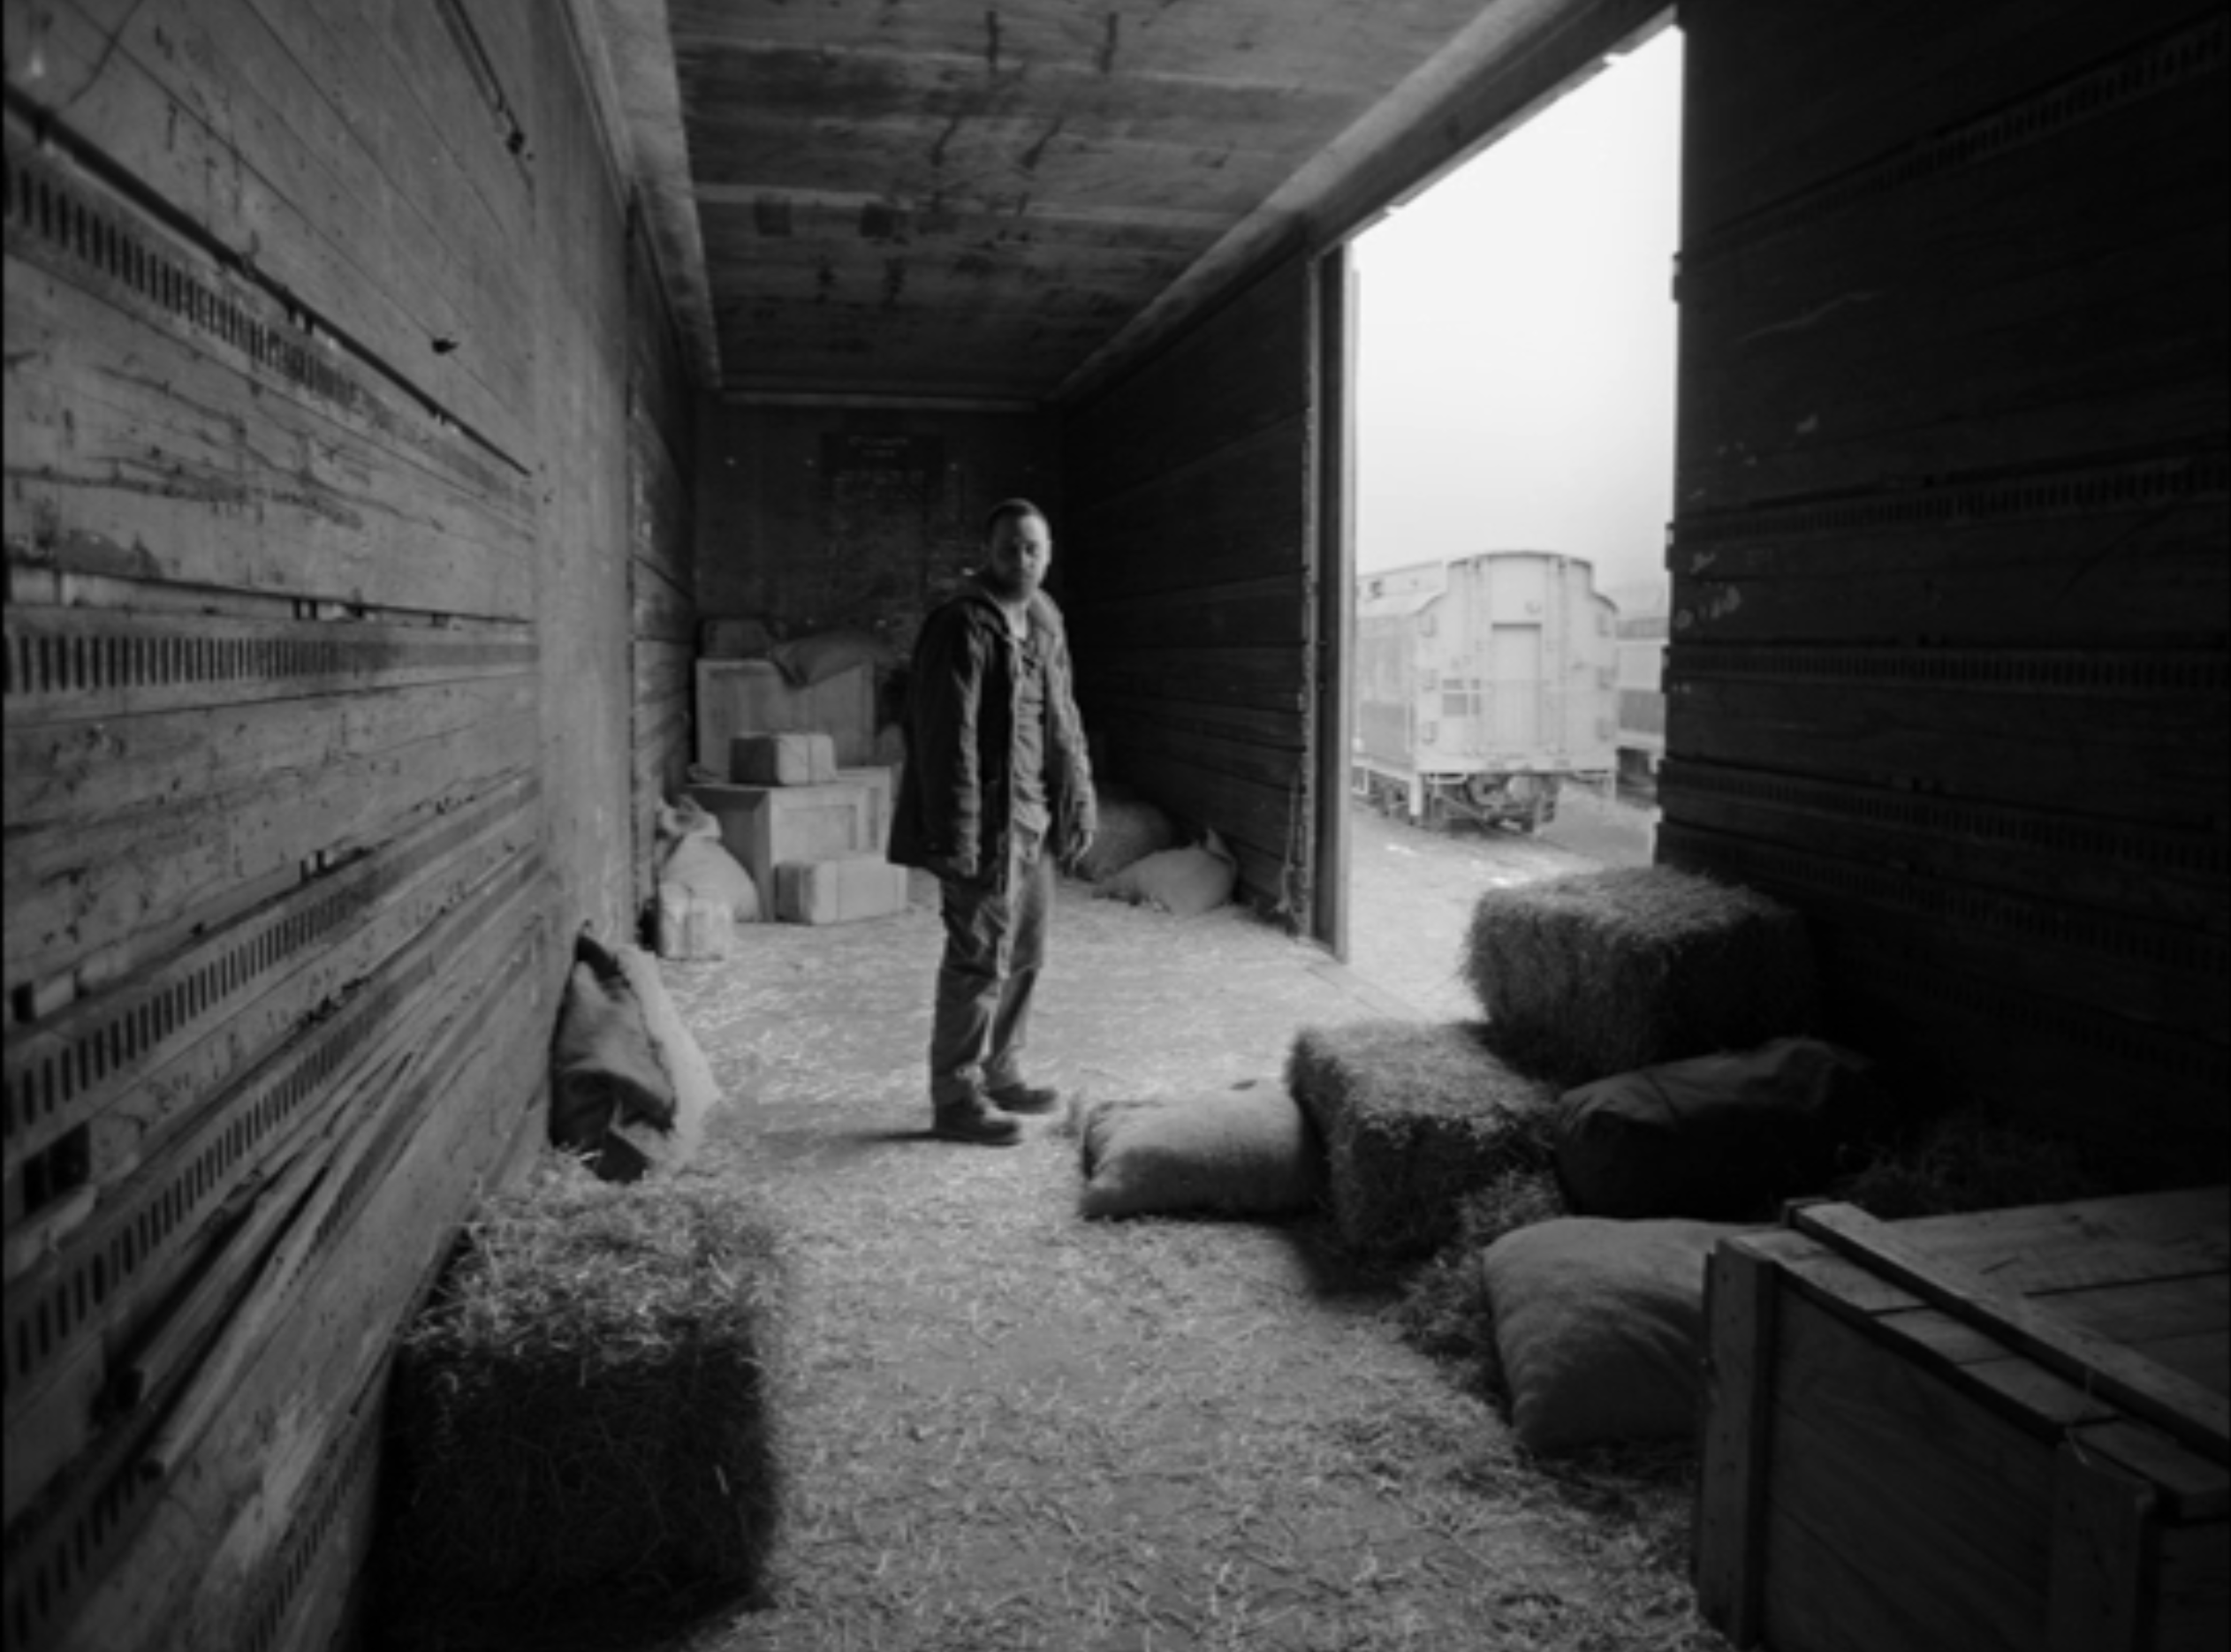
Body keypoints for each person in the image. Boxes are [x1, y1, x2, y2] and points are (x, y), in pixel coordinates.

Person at [887, 499, 1097, 1145]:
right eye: (1010, 548)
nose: (1022, 559)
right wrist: (957, 836)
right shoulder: (962, 624)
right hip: (985, 821)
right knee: (977, 956)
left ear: (1049, 552)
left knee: (1026, 952)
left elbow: (1064, 717)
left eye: (1033, 548)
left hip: (1033, 817)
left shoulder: (1043, 619)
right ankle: (955, 1097)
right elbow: (943, 740)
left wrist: (1079, 798)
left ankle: (1001, 1070)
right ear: (989, 552)